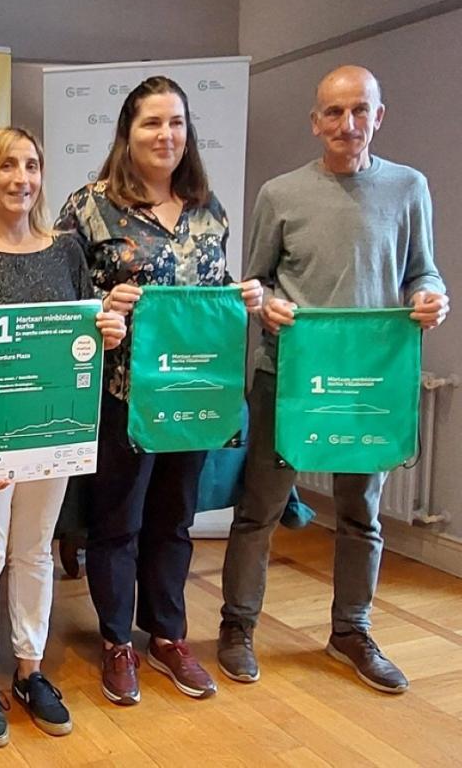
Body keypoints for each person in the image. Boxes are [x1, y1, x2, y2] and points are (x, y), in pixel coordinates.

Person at [218, 65, 448, 693]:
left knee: (361, 514)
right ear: (315, 122)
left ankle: (351, 629)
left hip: (369, 382)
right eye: (333, 113)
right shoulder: (280, 194)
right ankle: (237, 626)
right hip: (285, 379)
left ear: (380, 115)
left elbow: (423, 272)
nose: (347, 125)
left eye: (359, 111)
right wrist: (264, 305)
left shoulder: (409, 188)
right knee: (259, 508)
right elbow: (253, 283)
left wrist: (432, 296)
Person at [56, 75, 263, 707]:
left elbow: (214, 291)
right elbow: (59, 299)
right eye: (151, 123)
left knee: (175, 520)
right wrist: (100, 304)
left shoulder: (211, 210)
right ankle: (118, 641)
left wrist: (244, 295)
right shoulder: (88, 206)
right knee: (118, 522)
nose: (165, 135)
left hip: (193, 394)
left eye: (176, 122)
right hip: (123, 395)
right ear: (127, 133)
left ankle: (168, 636)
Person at [0, 127, 126, 747]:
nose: (22, 178)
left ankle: (29, 669)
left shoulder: (68, 252)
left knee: (34, 553)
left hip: (53, 430)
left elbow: (79, 344)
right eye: (7, 168)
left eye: (32, 166)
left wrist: (104, 336)